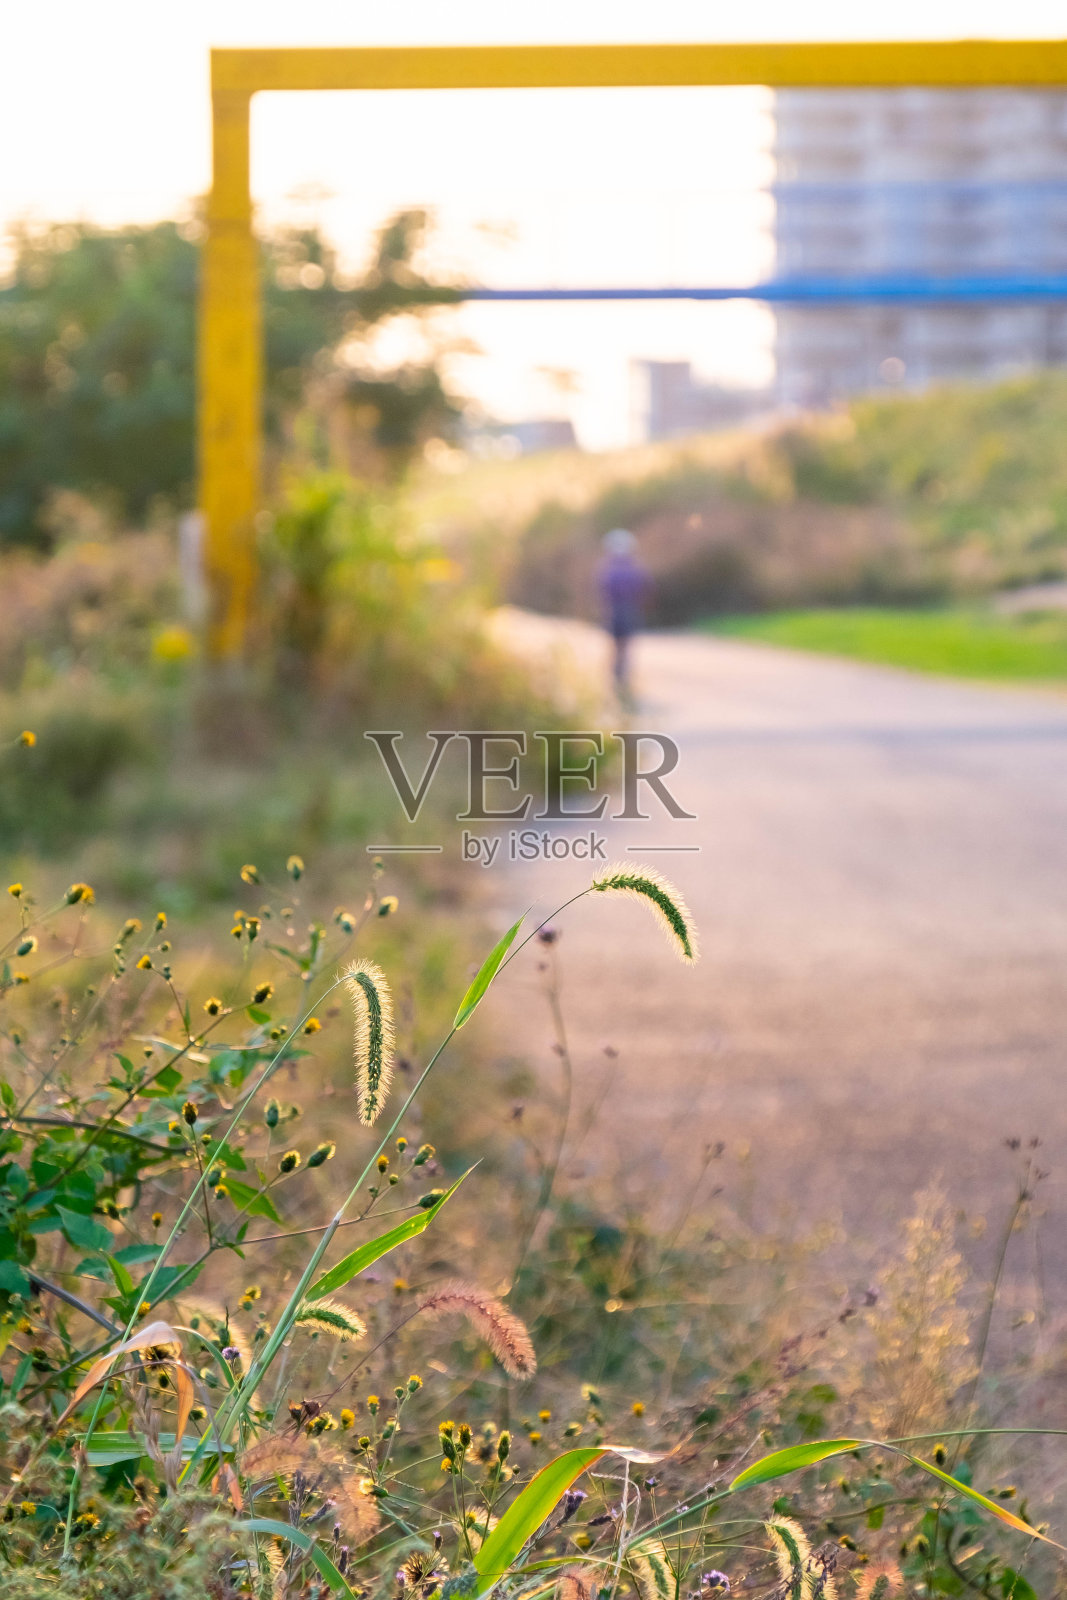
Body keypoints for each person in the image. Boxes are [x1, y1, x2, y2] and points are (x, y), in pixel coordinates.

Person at [597, 527, 648, 700]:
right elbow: (643, 587)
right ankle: (622, 679)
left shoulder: (608, 567)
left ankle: (617, 680)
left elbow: (602, 589)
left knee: (616, 646)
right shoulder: (633, 567)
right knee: (624, 646)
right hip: (627, 609)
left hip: (614, 610)